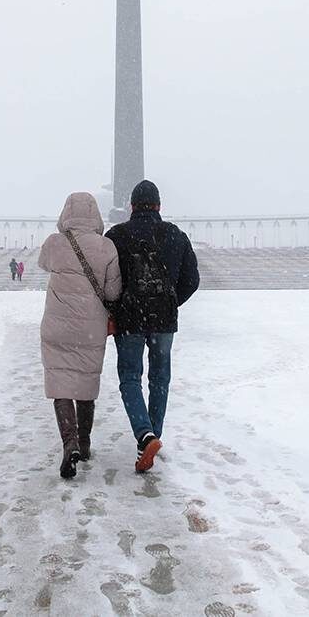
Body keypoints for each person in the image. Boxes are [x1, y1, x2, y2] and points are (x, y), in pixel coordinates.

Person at [105, 180, 199, 473]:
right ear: (158, 206)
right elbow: (192, 280)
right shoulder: (175, 235)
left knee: (130, 377)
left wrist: (116, 308)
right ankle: (151, 436)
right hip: (163, 321)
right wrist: (170, 301)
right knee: (160, 379)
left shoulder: (117, 235)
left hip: (130, 318)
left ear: (131, 206)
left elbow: (108, 281)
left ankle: (145, 436)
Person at [38, 192, 122, 479]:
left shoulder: (53, 244)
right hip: (90, 328)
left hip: (57, 326)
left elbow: (42, 263)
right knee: (86, 383)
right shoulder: (107, 247)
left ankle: (69, 442)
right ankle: (84, 444)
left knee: (61, 384)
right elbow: (112, 292)